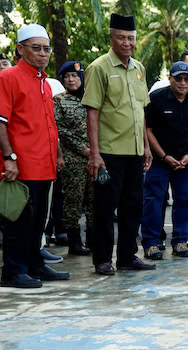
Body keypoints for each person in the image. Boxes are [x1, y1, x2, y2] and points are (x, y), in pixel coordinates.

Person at [83, 13, 154, 275]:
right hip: (109, 153)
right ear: (111, 38)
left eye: (131, 38)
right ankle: (102, 259)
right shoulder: (98, 68)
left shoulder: (139, 69)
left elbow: (141, 110)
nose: (127, 43)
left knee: (133, 206)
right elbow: (93, 111)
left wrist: (146, 147)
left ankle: (127, 256)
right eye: (122, 38)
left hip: (135, 151)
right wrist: (95, 154)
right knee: (104, 209)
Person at [0, 23, 68, 288]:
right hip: (21, 164)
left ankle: (35, 265)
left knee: (39, 220)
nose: (43, 54)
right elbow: (1, 122)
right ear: (20, 49)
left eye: (46, 49)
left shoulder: (45, 83)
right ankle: (13, 271)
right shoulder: (9, 78)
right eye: (36, 48)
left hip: (45, 164)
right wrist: (9, 157)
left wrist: (59, 154)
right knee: (19, 221)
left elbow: (48, 123)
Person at [141, 61, 188, 260]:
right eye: (178, 78)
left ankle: (180, 240)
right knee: (153, 200)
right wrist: (163, 155)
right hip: (160, 160)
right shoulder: (156, 98)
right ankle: (151, 243)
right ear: (170, 78)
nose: (182, 83)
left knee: (185, 201)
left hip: (185, 162)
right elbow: (148, 130)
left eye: (186, 79)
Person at [54, 60, 93, 256]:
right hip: (72, 159)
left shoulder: (92, 98)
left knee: (95, 201)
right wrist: (83, 149)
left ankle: (94, 239)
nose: (70, 80)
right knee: (73, 201)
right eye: (67, 77)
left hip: (96, 158)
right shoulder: (58, 100)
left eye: (74, 76)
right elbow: (60, 130)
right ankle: (74, 242)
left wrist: (94, 151)